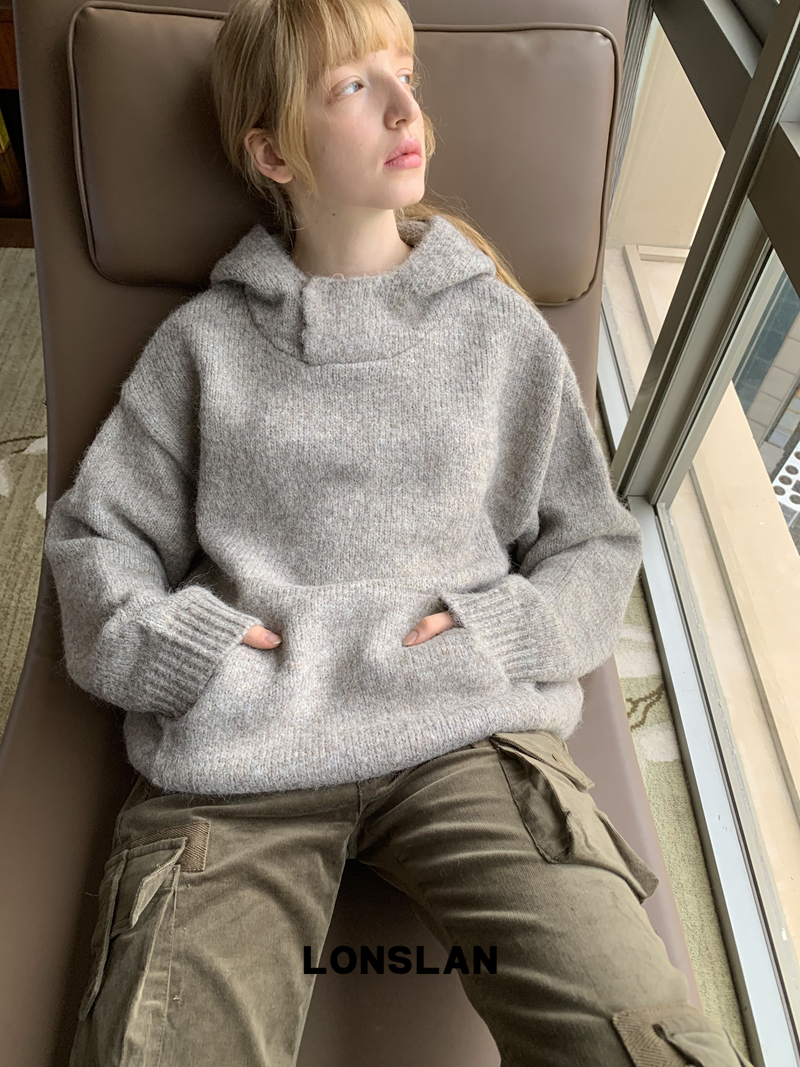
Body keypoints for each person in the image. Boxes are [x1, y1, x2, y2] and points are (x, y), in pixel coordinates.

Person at [46, 1, 754, 1064]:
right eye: (352, 85)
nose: (404, 107)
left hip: (464, 733)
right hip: (240, 756)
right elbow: (94, 537)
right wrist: (184, 645)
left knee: (639, 1043)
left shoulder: (496, 329)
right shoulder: (202, 345)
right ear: (271, 153)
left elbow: (595, 540)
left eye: (404, 74)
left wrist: (507, 627)